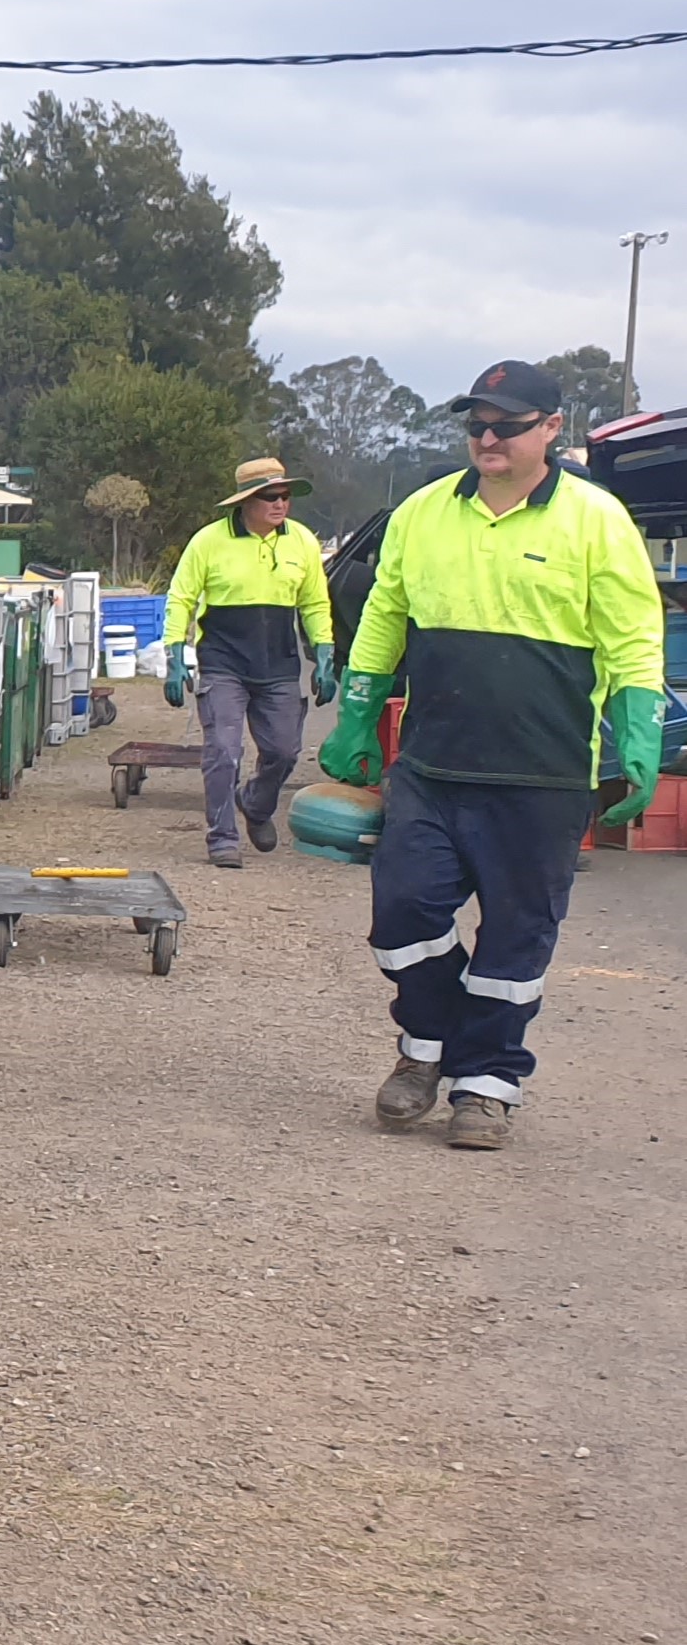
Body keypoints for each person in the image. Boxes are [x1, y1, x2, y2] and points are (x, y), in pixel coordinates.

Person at [318, 358, 666, 1150]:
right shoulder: (422, 513)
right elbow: (385, 614)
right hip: (432, 767)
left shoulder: (595, 519)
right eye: (474, 424)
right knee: (401, 914)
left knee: (515, 936)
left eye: (505, 425)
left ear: (550, 430)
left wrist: (637, 730)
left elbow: (631, 636)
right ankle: (425, 1046)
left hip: (542, 777)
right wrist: (355, 709)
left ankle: (485, 1086)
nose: (485, 437)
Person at [159, 457, 338, 868]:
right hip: (223, 661)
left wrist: (325, 655)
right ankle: (222, 836)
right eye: (270, 496)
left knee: (285, 750)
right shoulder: (208, 542)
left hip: (278, 664)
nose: (280, 504)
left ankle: (256, 803)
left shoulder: (303, 543)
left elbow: (314, 602)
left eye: (285, 495)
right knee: (223, 749)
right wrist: (174, 656)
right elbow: (181, 598)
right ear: (246, 501)